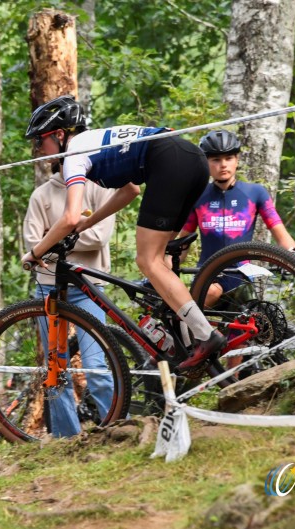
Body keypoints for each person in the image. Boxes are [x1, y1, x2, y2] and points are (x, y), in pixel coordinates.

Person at [21, 95, 225, 371]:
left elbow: (69, 216)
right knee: (161, 261)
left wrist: (36, 252)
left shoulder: (73, 155)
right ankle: (189, 341)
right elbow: (130, 190)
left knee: (147, 260)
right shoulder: (94, 140)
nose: (39, 150)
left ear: (59, 135)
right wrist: (87, 223)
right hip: (192, 160)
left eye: (40, 141)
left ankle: (206, 335)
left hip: (168, 162)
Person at [23, 171, 117, 437]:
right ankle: (66, 438)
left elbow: (100, 236)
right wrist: (68, 236)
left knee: (96, 365)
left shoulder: (99, 187)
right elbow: (31, 243)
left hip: (88, 286)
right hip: (49, 286)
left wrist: (51, 239)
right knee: (55, 367)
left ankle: (121, 427)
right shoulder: (41, 194)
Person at [179, 130, 295, 308]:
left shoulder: (255, 192)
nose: (223, 165)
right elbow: (183, 241)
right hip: (206, 273)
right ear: (206, 162)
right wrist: (161, 268)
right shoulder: (198, 195)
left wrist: (294, 255)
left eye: (229, 158)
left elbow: (279, 231)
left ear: (237, 160)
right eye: (216, 160)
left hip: (240, 274)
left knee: (241, 332)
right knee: (205, 304)